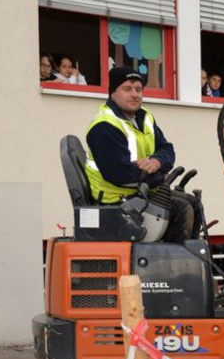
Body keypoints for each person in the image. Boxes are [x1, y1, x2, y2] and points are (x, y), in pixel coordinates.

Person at [84, 67, 197, 243]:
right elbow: (120, 174)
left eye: (138, 89)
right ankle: (169, 265)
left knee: (194, 202)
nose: (135, 94)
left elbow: (168, 149)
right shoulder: (105, 126)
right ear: (113, 93)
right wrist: (161, 177)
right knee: (182, 210)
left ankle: (194, 259)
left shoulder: (145, 118)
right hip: (116, 201)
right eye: (127, 89)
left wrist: (157, 162)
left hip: (141, 190)